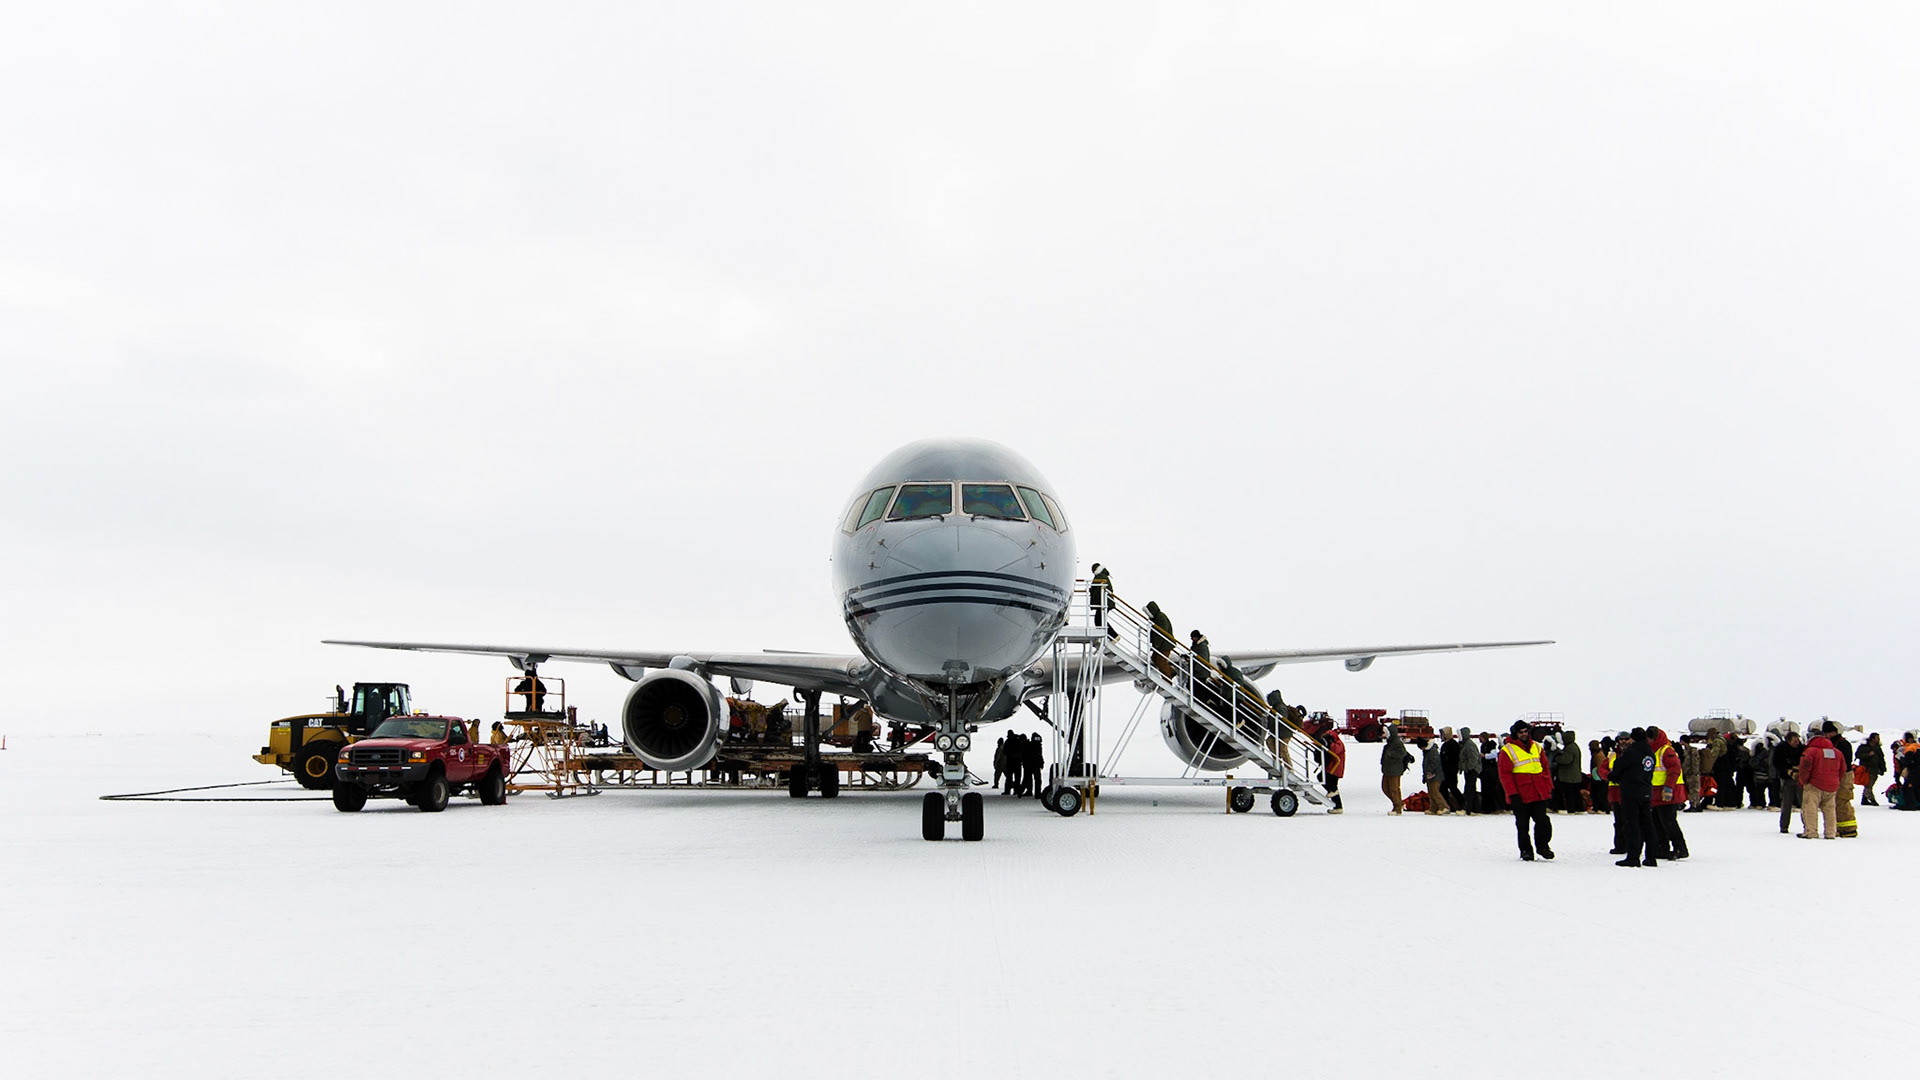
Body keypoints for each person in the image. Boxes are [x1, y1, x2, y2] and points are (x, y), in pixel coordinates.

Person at [1497, 721, 1555, 861]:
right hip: (1520, 795)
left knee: (1543, 822)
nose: (1524, 734)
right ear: (1515, 733)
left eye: (1525, 731)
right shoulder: (1507, 751)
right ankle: (1526, 850)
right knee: (1523, 826)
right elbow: (1505, 775)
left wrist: (1548, 788)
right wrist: (1512, 794)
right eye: (1520, 732)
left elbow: (1545, 769)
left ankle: (1543, 847)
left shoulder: (1537, 747)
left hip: (1538, 792)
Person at [1612, 728, 1657, 867]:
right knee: (1648, 825)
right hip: (1646, 791)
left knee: (1632, 825)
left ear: (1633, 738)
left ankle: (1633, 857)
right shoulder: (1650, 753)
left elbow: (1618, 767)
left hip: (1631, 792)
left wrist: (1614, 776)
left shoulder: (1632, 752)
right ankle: (1651, 856)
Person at [1648, 727, 1689, 860]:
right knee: (1658, 822)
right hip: (1657, 793)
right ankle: (1663, 848)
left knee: (1668, 822)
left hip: (1668, 793)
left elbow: (1674, 770)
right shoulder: (1655, 751)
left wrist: (1668, 788)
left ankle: (1680, 848)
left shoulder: (1666, 751)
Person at [1798, 727, 1845, 839]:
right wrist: (1836, 781)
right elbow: (1842, 769)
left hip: (1814, 785)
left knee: (1810, 808)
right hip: (1832, 786)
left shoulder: (1811, 751)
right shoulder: (1837, 752)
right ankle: (1830, 833)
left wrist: (1803, 782)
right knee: (1830, 810)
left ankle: (1811, 832)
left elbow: (1805, 768)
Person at [1824, 721, 1857, 837]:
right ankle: (1841, 827)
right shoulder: (1834, 744)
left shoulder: (1842, 744)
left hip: (1844, 776)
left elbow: (1844, 762)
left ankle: (1849, 829)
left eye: (1828, 733)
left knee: (1842, 801)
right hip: (1839, 775)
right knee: (1837, 802)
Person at [1774, 730, 1805, 834]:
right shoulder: (1780, 749)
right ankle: (1784, 827)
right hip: (1787, 780)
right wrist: (1788, 770)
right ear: (1788, 741)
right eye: (1794, 741)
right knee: (1786, 804)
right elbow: (1777, 763)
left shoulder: (1802, 748)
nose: (1797, 743)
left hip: (1800, 779)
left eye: (1798, 741)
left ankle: (1808, 826)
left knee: (1804, 804)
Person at [1380, 725, 1413, 814]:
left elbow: (1402, 752)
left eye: (1385, 733)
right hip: (1387, 770)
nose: (1383, 735)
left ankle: (1397, 808)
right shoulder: (1390, 742)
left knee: (1394, 789)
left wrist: (1391, 754)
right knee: (1385, 788)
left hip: (1395, 770)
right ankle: (1399, 803)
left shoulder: (1397, 742)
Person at [1553, 729, 1583, 813]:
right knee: (1576, 794)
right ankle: (1579, 809)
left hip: (1569, 776)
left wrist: (1557, 758)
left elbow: (1566, 760)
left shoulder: (1569, 748)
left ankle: (1571, 809)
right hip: (1575, 776)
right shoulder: (1574, 746)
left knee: (1569, 794)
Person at [1144, 601, 1176, 679]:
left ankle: (1167, 681)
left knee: (1161, 662)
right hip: (1161, 645)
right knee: (1155, 659)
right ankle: (1171, 672)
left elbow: (1162, 631)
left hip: (1165, 645)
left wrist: (1157, 642)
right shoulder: (1156, 618)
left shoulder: (1160, 618)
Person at [1320, 721, 1346, 814]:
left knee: (1329, 783)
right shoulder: (1336, 742)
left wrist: (1329, 743)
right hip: (1332, 768)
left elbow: (1335, 750)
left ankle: (1338, 805)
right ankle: (1338, 806)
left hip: (1335, 769)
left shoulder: (1339, 744)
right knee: (1332, 786)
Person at [1420, 737, 1448, 815]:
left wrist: (1429, 771)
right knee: (1431, 792)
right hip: (1429, 775)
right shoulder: (1427, 751)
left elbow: (1434, 763)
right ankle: (1433, 808)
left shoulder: (1432, 751)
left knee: (1435, 791)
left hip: (1436, 775)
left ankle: (1444, 807)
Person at [1858, 733, 1887, 807]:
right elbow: (1858, 755)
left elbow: (1881, 758)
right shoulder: (1864, 746)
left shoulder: (1877, 747)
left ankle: (1864, 799)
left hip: (1875, 770)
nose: (1879, 739)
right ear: (1872, 738)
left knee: (1869, 784)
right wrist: (1868, 755)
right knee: (1868, 785)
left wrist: (1883, 768)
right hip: (1866, 770)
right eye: (1877, 737)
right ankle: (1872, 799)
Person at [1459, 728, 1482, 815]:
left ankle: (1468, 808)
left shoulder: (1469, 745)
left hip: (1471, 770)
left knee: (1470, 788)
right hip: (1469, 769)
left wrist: (1469, 767)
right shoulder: (1466, 744)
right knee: (1470, 788)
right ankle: (1473, 808)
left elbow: (1474, 757)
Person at [1440, 729, 1463, 813]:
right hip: (1444, 771)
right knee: (1443, 789)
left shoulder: (1453, 745)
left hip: (1451, 772)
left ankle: (1462, 803)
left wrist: (1452, 768)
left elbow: (1454, 759)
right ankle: (1447, 806)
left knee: (1453, 788)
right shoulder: (1445, 745)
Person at [1681, 736, 1705, 812]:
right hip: (1688, 773)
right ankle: (1696, 804)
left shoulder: (1692, 750)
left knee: (1694, 789)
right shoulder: (1686, 750)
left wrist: (1695, 772)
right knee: (1693, 789)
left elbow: (1695, 762)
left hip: (1692, 773)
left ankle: (1694, 805)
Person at [1587, 739, 1609, 814]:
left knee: (1600, 793)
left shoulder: (1599, 755)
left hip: (1599, 778)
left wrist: (1598, 777)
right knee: (1596, 793)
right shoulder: (1597, 754)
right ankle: (1597, 807)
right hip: (1597, 776)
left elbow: (1600, 767)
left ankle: (1602, 808)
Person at [1089, 564, 1112, 629]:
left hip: (1103, 602)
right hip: (1105, 601)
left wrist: (1091, 590)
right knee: (1100, 620)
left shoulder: (1100, 576)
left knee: (1099, 620)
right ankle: (1113, 636)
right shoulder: (1103, 575)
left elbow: (1096, 588)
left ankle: (1114, 635)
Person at [1022, 732, 1044, 799]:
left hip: (1031, 764)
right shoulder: (1037, 746)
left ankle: (1030, 791)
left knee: (1030, 779)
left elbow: (1039, 755)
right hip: (1033, 764)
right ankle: (1037, 793)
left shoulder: (1029, 745)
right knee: (1036, 779)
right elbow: (1039, 755)